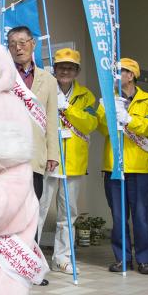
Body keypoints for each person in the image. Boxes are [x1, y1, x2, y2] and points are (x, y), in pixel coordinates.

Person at [37, 48, 97, 274]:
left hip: (74, 163)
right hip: (48, 160)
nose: (65, 71)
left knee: (67, 215)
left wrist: (68, 108)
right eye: (61, 66)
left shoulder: (86, 96)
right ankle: (31, 255)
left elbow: (90, 123)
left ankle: (62, 258)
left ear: (77, 71)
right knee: (38, 211)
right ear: (55, 68)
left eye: (70, 67)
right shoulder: (45, 89)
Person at [97, 58, 148, 274]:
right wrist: (111, 113)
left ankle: (144, 260)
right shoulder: (108, 99)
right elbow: (103, 128)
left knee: (142, 216)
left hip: (141, 169)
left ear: (131, 75)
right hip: (114, 167)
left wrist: (128, 119)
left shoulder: (147, 99)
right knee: (119, 217)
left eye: (119, 72)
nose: (114, 76)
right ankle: (122, 258)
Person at [7, 26, 59, 202]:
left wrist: (52, 154)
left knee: (31, 212)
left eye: (22, 43)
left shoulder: (49, 80)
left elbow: (52, 120)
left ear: (33, 44)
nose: (18, 48)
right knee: (7, 212)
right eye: (12, 44)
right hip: (7, 156)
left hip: (34, 156)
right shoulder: (2, 76)